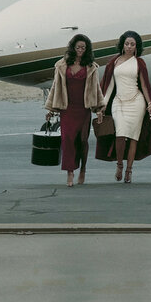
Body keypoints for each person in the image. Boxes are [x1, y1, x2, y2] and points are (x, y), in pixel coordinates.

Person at [97, 30, 151, 183]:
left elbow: (145, 86)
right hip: (118, 102)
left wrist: (149, 104)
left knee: (133, 138)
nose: (129, 47)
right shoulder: (114, 62)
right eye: (127, 44)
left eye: (132, 44)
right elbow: (109, 87)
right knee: (120, 135)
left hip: (137, 102)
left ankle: (129, 169)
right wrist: (102, 106)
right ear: (122, 44)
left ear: (136, 47)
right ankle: (119, 164)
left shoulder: (139, 63)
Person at [44, 34, 105, 187]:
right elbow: (55, 88)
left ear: (87, 49)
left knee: (82, 141)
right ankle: (70, 172)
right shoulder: (61, 65)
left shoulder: (91, 67)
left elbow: (96, 89)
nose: (80, 50)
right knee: (67, 140)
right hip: (67, 108)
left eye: (83, 48)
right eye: (78, 47)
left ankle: (83, 168)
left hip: (83, 109)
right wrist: (51, 109)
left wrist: (99, 108)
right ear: (73, 48)